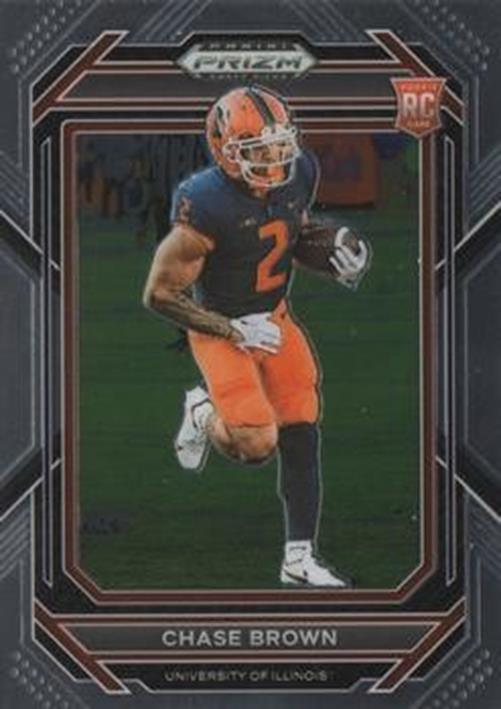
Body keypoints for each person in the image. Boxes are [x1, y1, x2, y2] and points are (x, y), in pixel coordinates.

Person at [143, 86, 369, 587]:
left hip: (276, 319)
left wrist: (336, 256)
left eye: (280, 144)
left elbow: (289, 234)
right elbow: (158, 294)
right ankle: (202, 412)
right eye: (259, 150)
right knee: (256, 444)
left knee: (302, 423)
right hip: (220, 326)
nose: (275, 159)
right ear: (224, 150)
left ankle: (299, 558)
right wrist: (230, 329)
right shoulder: (205, 202)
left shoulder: (300, 171)